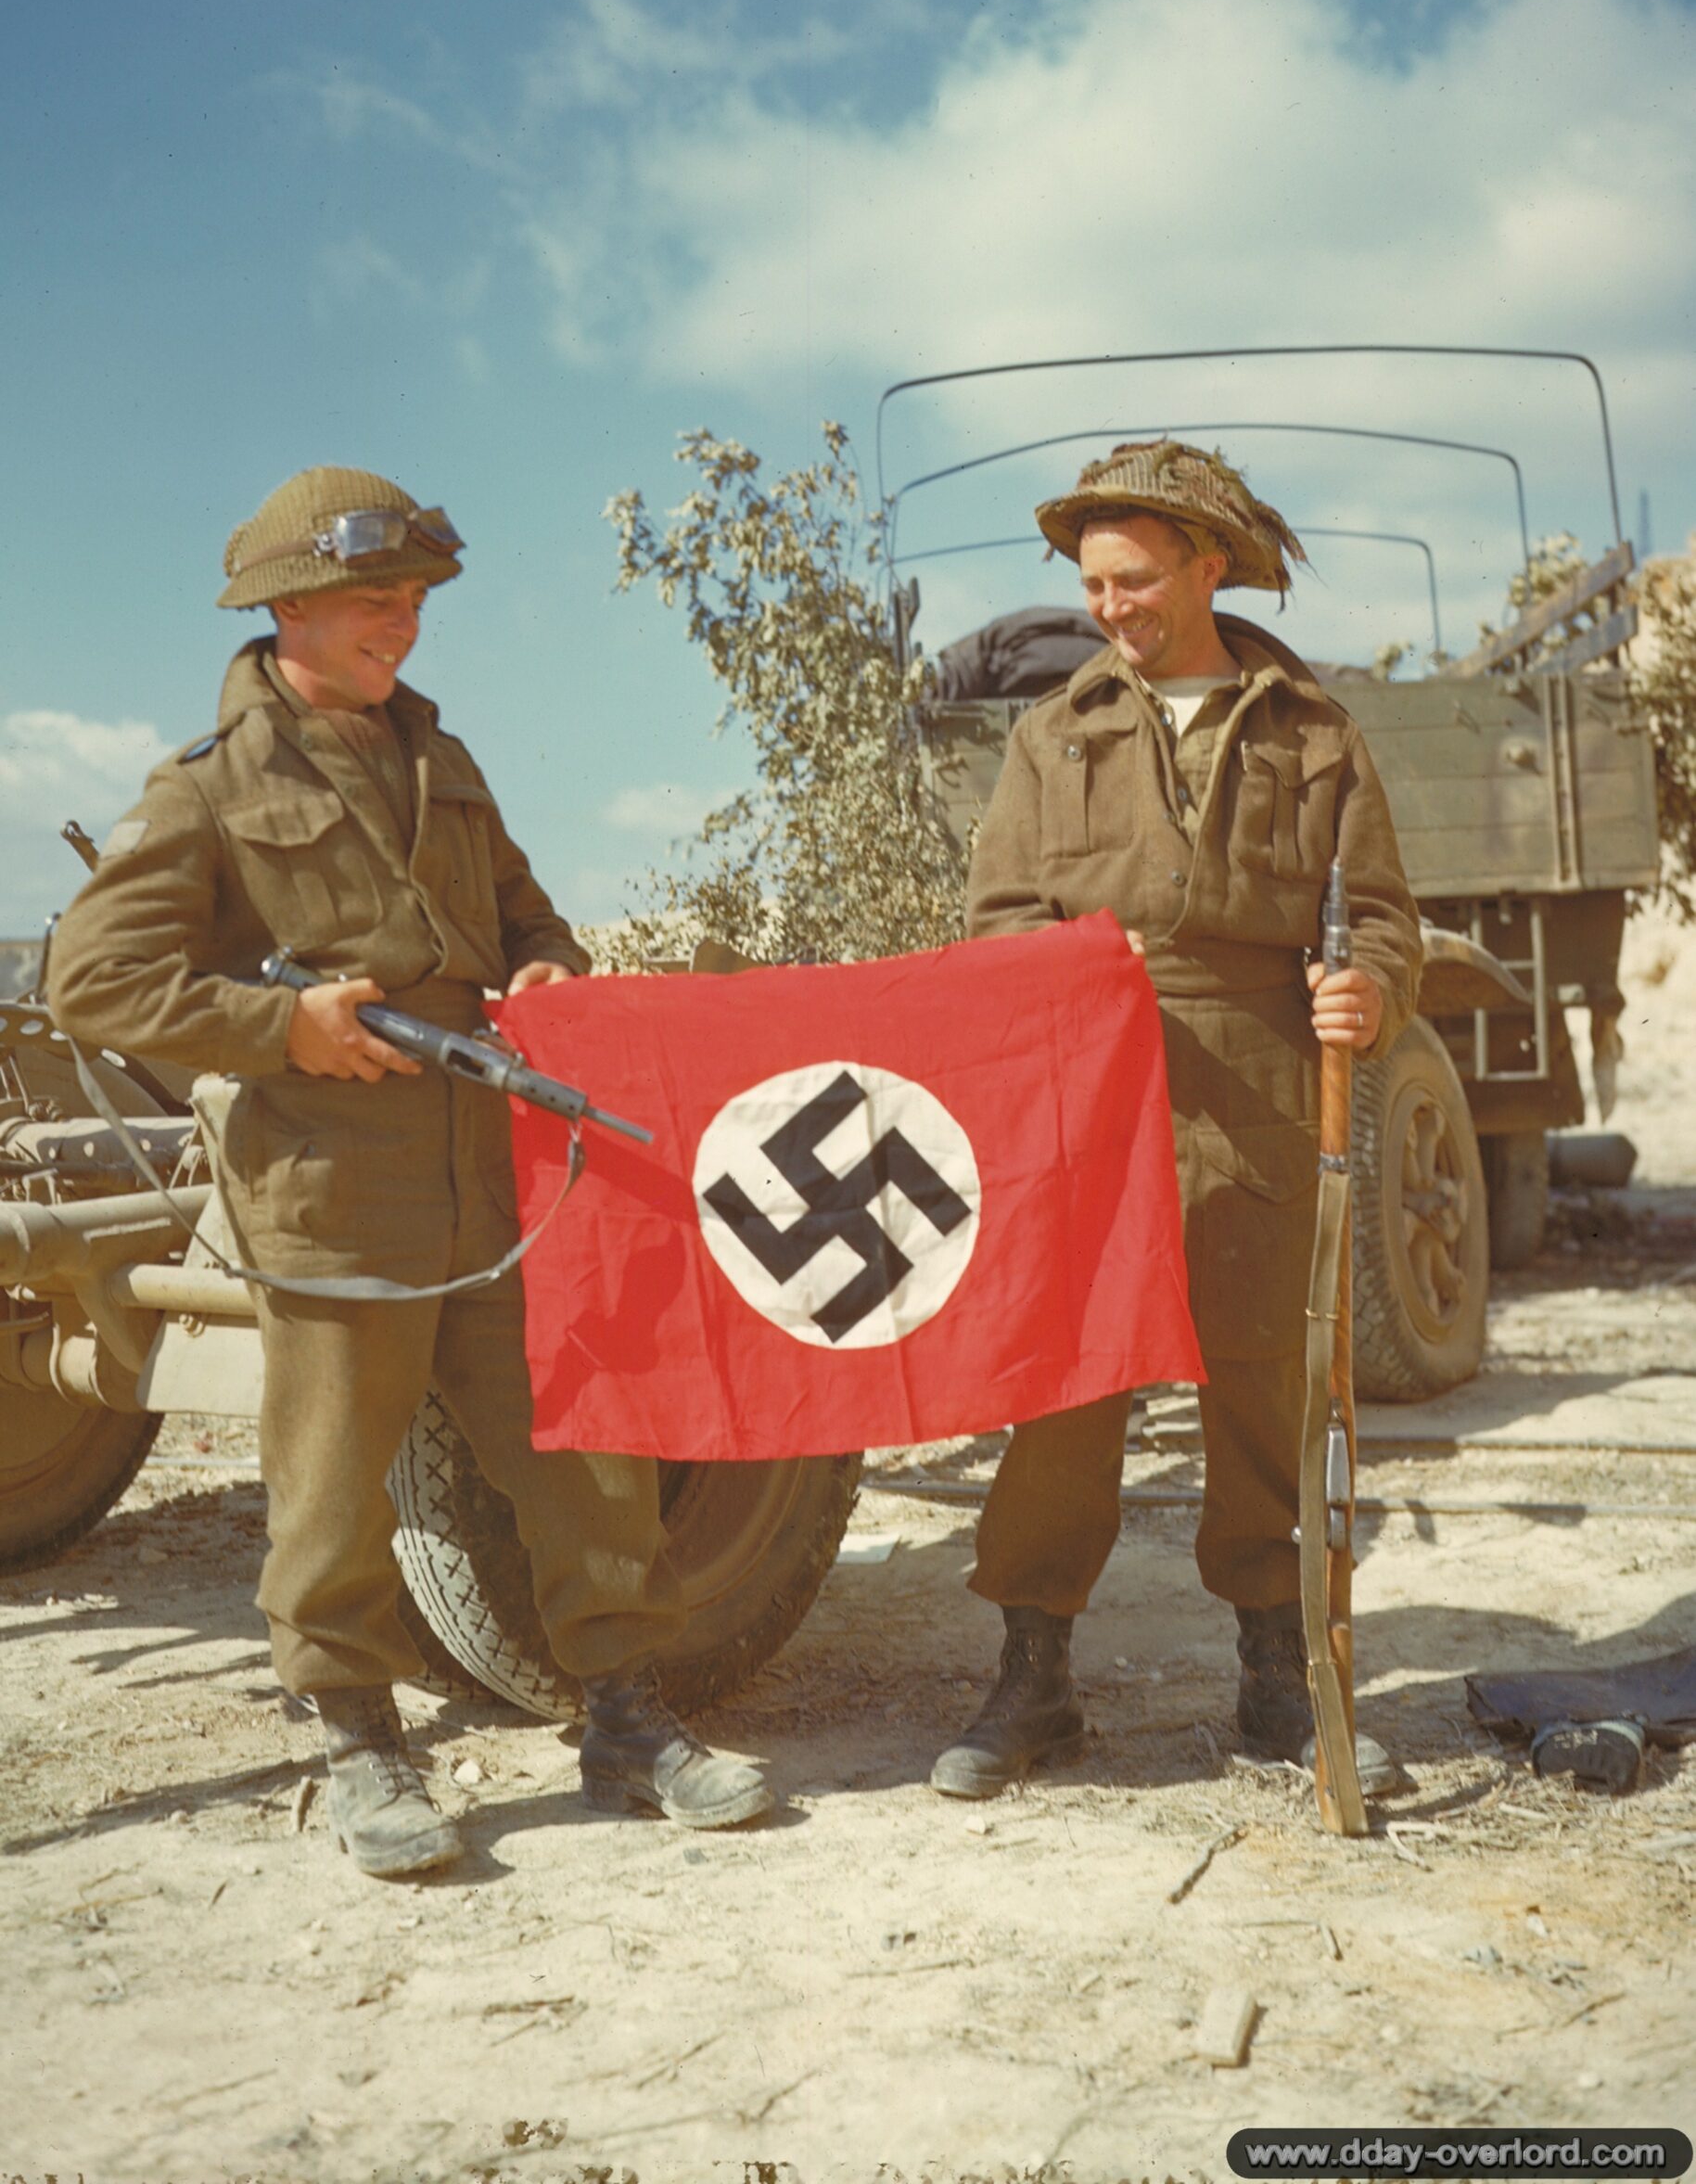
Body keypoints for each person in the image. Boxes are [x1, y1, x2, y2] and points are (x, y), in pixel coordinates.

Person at [48, 465, 772, 1876]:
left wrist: (547, 968)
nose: (408, 621)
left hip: (489, 1180)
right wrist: (285, 1029)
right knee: (331, 1486)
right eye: (379, 598)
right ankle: (360, 1742)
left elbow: (525, 916)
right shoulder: (207, 788)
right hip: (334, 1194)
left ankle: (629, 1718)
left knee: (584, 1454)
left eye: (418, 598)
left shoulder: (444, 760)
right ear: (291, 608)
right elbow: (95, 978)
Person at [929, 440, 1422, 1800]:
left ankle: (1277, 1681)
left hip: (1259, 1088)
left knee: (1263, 1384)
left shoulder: (1313, 733)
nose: (1109, 607)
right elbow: (1000, 923)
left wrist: (1370, 993)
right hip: (1092, 1090)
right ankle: (1033, 1679)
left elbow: (1381, 915)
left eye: (1135, 581)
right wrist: (1063, 980)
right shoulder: (1051, 733)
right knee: (1067, 1385)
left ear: (1208, 568)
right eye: (1093, 584)